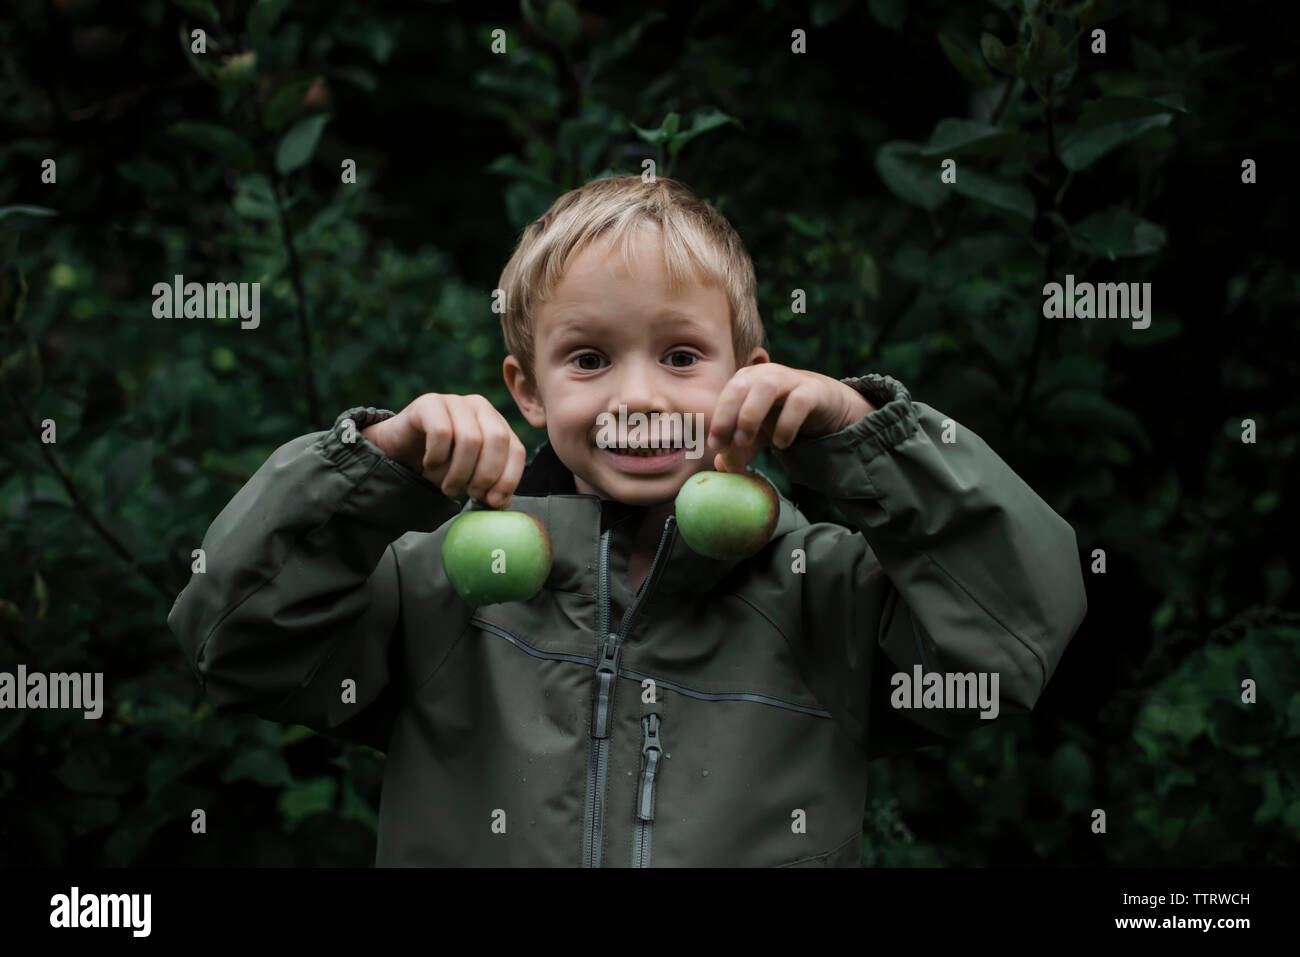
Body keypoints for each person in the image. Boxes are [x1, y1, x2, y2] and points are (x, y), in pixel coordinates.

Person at [168, 174, 1087, 866]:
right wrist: (371, 468)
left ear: (749, 369)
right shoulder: (440, 585)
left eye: (682, 354)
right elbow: (235, 642)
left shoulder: (823, 590)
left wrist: (862, 440)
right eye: (589, 358)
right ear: (525, 389)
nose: (640, 395)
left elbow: (1014, 635)